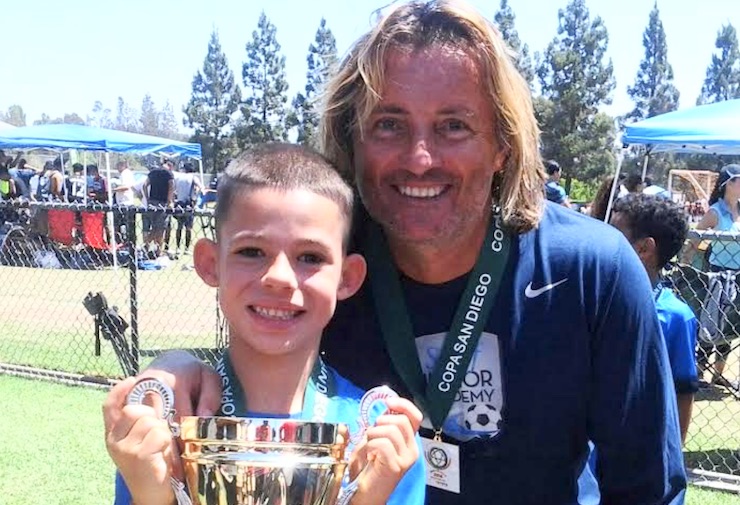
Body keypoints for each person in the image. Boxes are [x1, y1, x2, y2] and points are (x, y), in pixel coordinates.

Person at [134, 1, 686, 503]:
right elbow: (252, 366)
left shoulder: (591, 269)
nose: (420, 158)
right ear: (353, 142)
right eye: (389, 125)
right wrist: (174, 371)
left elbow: (648, 490)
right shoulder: (328, 270)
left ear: (502, 145)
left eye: (453, 126)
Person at [103, 143, 426, 505]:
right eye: (252, 252)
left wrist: (368, 497)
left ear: (347, 277)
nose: (279, 277)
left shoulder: (381, 441)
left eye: (310, 257)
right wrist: (152, 493)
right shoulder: (167, 424)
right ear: (211, 263)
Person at [610, 194, 698, 442]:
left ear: (644, 249)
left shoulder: (674, 317)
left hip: (634, 455)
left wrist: (671, 461)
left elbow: (683, 391)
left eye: (614, 236)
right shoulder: (594, 300)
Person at [682, 163, 740, 389]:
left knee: (730, 326)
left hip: (738, 276)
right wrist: (684, 268)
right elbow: (694, 241)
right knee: (710, 324)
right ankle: (698, 372)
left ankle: (718, 374)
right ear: (728, 184)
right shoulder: (715, 212)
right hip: (717, 276)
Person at [142, 157, 174, 255]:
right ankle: (157, 250)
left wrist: (147, 199)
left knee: (153, 227)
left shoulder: (152, 172)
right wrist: (170, 201)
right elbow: (171, 187)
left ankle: (147, 246)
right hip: (163, 204)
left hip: (152, 203)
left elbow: (144, 185)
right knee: (160, 228)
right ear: (170, 164)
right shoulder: (169, 174)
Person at [171, 162, 203, 256]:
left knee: (179, 227)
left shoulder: (178, 177)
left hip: (179, 203)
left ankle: (177, 247)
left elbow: (174, 189)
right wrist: (196, 197)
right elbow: (200, 187)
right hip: (188, 204)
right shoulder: (193, 177)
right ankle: (186, 248)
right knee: (188, 228)